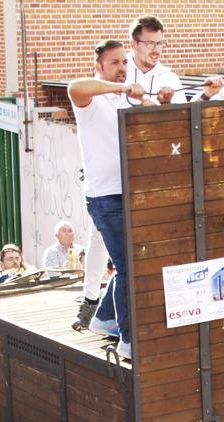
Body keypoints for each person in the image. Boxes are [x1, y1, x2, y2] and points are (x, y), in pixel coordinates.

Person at [69, 39, 145, 360]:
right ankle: (128, 340)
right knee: (128, 266)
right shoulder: (92, 101)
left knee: (130, 264)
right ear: (98, 66)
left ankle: (103, 317)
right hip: (105, 197)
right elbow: (75, 87)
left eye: (124, 62)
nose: (122, 68)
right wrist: (125, 88)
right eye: (114, 62)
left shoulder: (124, 102)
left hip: (129, 194)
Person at [126, 16, 186, 106]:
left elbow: (181, 117)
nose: (156, 50)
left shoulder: (170, 79)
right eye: (150, 43)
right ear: (134, 44)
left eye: (159, 43)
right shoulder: (117, 73)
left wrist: (167, 103)